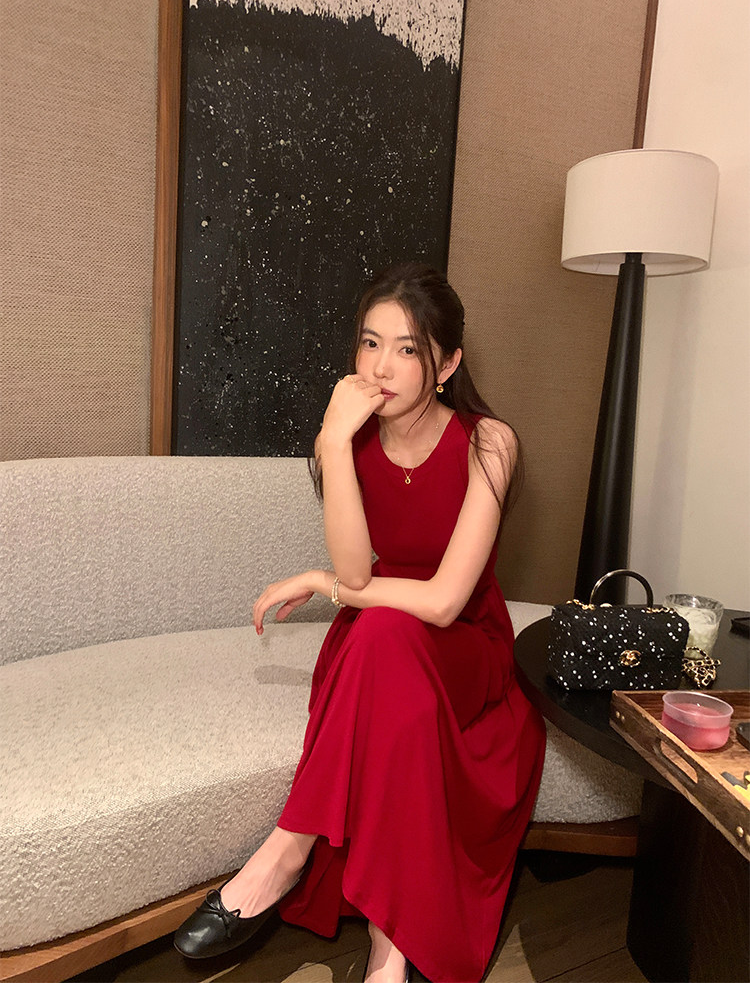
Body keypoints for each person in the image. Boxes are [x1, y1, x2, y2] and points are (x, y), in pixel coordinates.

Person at [174, 262, 546, 983]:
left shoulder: (489, 443)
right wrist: (334, 441)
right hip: (381, 634)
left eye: (407, 349)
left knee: (381, 633)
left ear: (448, 365)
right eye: (370, 343)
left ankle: (287, 850)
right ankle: (388, 950)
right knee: (381, 644)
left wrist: (324, 585)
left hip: (464, 644)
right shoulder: (350, 437)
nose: (381, 367)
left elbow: (443, 601)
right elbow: (358, 570)